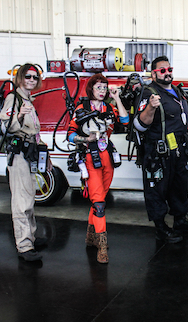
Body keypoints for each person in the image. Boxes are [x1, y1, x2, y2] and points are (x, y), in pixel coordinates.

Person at [133, 56, 188, 243]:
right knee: (157, 189)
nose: (167, 72)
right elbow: (140, 125)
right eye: (162, 70)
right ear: (154, 74)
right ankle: (161, 228)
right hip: (158, 151)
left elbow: (182, 116)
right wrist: (150, 107)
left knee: (180, 185)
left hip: (178, 149)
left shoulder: (177, 91)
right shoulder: (149, 93)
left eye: (169, 69)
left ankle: (180, 220)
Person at [67, 73, 129, 263]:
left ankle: (91, 236)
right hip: (89, 156)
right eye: (98, 87)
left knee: (99, 198)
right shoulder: (81, 108)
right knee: (99, 202)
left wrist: (117, 97)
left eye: (104, 87)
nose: (102, 91)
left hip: (107, 156)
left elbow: (125, 121)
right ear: (91, 89)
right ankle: (102, 246)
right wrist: (86, 139)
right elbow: (69, 134)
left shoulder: (109, 107)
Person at [0, 63, 47, 262]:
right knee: (21, 200)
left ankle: (31, 237)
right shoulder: (13, 98)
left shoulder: (28, 99)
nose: (31, 80)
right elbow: (5, 127)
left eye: (35, 77)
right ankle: (24, 245)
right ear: (20, 78)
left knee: (30, 197)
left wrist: (46, 155)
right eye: (27, 76)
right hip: (18, 155)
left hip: (30, 153)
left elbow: (34, 132)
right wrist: (19, 114)